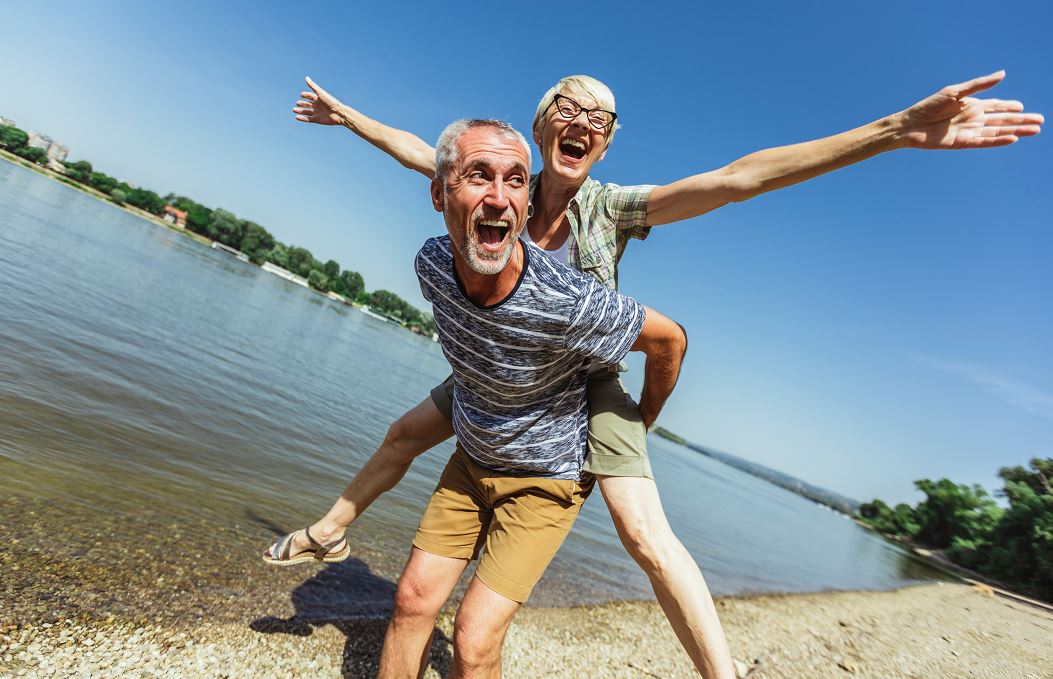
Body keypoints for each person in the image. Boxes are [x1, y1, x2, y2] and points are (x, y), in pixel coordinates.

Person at [268, 71, 1042, 677]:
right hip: (506, 366)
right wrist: (349, 119)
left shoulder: (612, 208)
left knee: (644, 534)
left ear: (606, 144)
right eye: (568, 108)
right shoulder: (503, 187)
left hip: (587, 376)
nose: (584, 122)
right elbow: (419, 149)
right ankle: (330, 531)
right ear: (540, 128)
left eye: (600, 119)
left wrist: (891, 130)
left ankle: (720, 671)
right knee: (406, 431)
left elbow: (741, 178)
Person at [381, 118, 687, 678]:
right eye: (479, 176)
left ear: (527, 202)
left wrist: (640, 420)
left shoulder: (566, 299)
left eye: (517, 180)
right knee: (411, 601)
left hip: (545, 482)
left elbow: (669, 339)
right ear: (438, 192)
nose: (499, 198)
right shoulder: (432, 266)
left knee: (473, 640)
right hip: (471, 462)